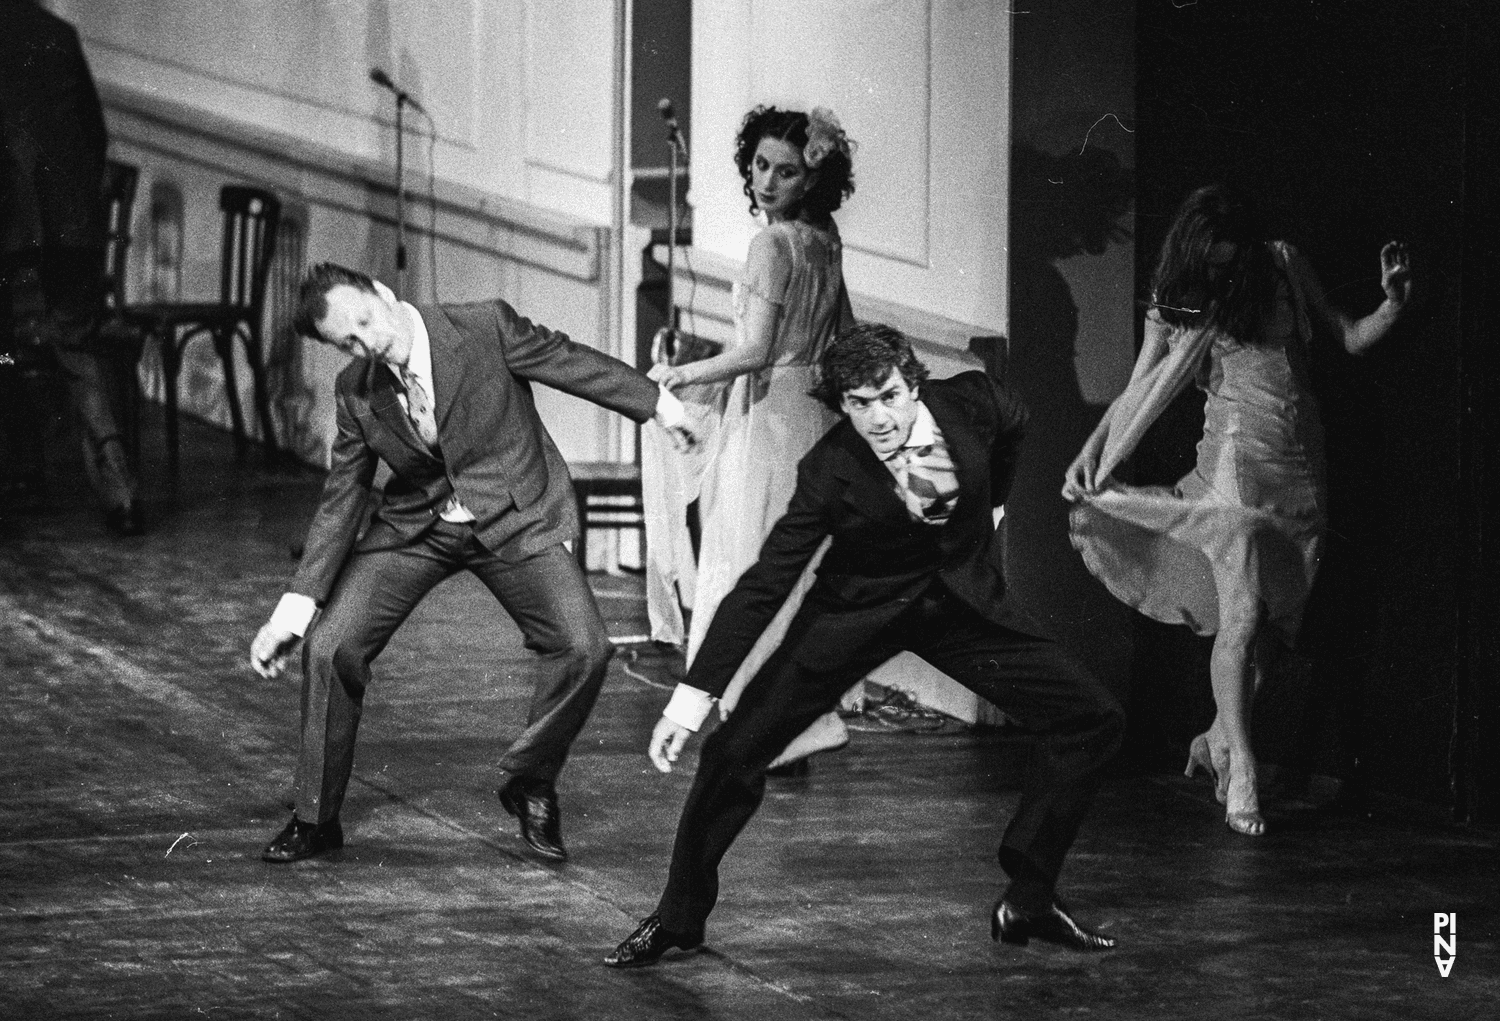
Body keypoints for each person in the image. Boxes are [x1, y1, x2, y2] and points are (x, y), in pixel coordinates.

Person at [605, 324, 1126, 967]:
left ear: (914, 385)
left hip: (959, 605)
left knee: (1091, 715)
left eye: (886, 397)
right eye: (857, 403)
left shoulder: (974, 402)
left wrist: (990, 510)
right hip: (855, 612)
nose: (876, 417)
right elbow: (766, 583)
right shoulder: (830, 470)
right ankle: (679, 918)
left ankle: (1030, 896)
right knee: (733, 752)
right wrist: (689, 700)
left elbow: (1015, 424)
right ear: (841, 404)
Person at [249, 263, 693, 864]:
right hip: (418, 527)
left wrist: (659, 405)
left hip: (511, 515)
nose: (365, 343)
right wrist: (293, 613)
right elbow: (344, 495)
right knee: (330, 647)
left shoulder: (482, 327)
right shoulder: (357, 390)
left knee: (585, 646)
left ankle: (530, 781)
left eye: (363, 322)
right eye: (347, 343)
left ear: (382, 293)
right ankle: (315, 818)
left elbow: (570, 362)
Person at [1063, 184, 1413, 836]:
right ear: (1196, 254)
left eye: (1233, 258)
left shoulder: (1279, 259)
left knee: (1271, 636)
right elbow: (1139, 391)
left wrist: (1392, 303)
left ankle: (1215, 740)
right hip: (1234, 469)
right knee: (1245, 614)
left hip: (1299, 467)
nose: (1227, 270)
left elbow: (1347, 335)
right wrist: (1092, 452)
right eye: (1216, 262)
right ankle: (1244, 774)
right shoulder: (1175, 302)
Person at [648, 105, 857, 773]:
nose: (767, 181)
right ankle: (790, 719)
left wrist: (681, 371)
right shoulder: (824, 238)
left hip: (770, 416)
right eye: (761, 165)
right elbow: (845, 334)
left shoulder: (773, 245)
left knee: (750, 564)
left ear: (811, 179)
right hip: (811, 413)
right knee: (791, 564)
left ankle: (769, 724)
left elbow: (756, 350)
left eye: (786, 171)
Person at [0, 0, 141, 532]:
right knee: (77, 348)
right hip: (69, 227)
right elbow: (95, 134)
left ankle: (22, 472)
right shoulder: (58, 34)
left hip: (8, 228)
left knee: (2, 350)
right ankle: (120, 489)